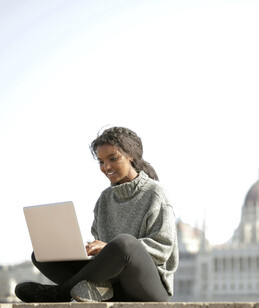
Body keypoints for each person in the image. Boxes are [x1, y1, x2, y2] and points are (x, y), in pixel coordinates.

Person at [14, 126, 179, 302]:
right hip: (111, 286)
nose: (106, 167)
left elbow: (163, 248)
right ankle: (92, 290)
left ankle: (61, 293)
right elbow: (103, 255)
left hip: (147, 289)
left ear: (131, 156)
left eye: (113, 158)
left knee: (124, 244)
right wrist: (82, 249)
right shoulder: (104, 199)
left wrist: (109, 247)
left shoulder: (155, 193)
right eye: (101, 161)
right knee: (43, 254)